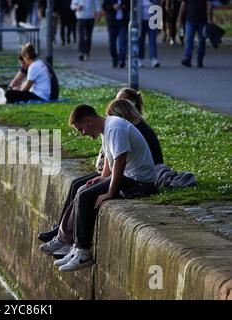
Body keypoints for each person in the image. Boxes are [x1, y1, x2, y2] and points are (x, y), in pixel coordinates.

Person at [39, 103, 158, 272]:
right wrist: (102, 177)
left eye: (81, 129)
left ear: (88, 120)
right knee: (80, 188)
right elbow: (110, 159)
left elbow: (120, 160)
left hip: (140, 182)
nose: (83, 134)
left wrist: (110, 191)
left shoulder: (115, 128)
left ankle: (83, 252)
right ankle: (68, 241)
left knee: (85, 196)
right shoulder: (107, 128)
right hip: (130, 176)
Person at [179, 0, 213, 68]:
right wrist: (180, 18)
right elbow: (183, 4)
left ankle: (200, 58)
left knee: (202, 40)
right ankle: (187, 58)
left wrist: (209, 19)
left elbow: (209, 4)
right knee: (189, 39)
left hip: (202, 20)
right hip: (190, 19)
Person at [102, 0, 130, 68]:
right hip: (112, 22)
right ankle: (114, 58)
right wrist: (113, 7)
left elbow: (130, 6)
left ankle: (121, 60)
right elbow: (104, 6)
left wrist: (124, 7)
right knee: (112, 43)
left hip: (123, 22)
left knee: (122, 42)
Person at [139, 0, 161, 68]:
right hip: (141, 22)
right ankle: (140, 59)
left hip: (152, 21)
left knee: (152, 40)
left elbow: (158, 9)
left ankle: (153, 59)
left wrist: (158, 24)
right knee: (140, 40)